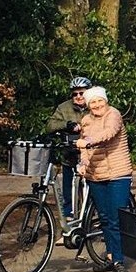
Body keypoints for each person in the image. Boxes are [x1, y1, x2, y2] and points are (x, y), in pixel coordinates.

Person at [74, 85, 133, 272]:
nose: (97, 105)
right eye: (93, 102)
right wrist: (83, 163)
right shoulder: (86, 121)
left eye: (100, 100)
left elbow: (109, 133)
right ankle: (110, 256)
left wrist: (88, 142)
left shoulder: (113, 115)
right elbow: (84, 147)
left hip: (118, 174)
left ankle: (118, 260)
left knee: (116, 218)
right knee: (105, 219)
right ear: (88, 104)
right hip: (96, 175)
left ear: (105, 101)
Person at [45, 77, 91, 220]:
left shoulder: (95, 105)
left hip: (91, 155)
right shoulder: (63, 108)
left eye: (81, 93)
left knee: (92, 188)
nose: (78, 96)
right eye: (74, 94)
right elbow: (50, 125)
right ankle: (69, 220)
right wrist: (67, 124)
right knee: (68, 190)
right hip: (70, 154)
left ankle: (90, 217)